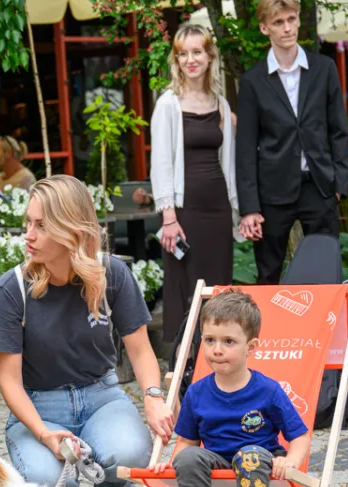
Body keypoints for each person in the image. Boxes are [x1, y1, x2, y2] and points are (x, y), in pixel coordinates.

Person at [0, 175, 174, 487]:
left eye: (41, 225)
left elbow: (141, 350)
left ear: (70, 229)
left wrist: (152, 396)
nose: (29, 234)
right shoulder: (11, 290)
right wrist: (42, 433)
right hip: (39, 406)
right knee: (48, 477)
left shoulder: (110, 274)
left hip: (102, 396)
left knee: (131, 452)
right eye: (28, 223)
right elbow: (9, 382)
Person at [147, 290, 309, 487]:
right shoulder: (197, 392)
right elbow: (188, 443)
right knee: (187, 457)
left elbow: (299, 436)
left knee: (249, 452)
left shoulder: (268, 391)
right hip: (218, 463)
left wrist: (291, 460)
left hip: (259, 464)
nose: (217, 350)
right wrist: (171, 465)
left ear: (252, 347)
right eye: (210, 340)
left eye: (228, 342)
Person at [235, 0, 348, 284]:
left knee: (326, 270)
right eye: (278, 22)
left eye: (291, 19)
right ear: (264, 28)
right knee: (268, 272)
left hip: (320, 185)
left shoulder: (324, 69)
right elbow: (245, 148)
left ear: (299, 20)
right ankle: (268, 329)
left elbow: (338, 130)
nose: (287, 28)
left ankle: (326, 329)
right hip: (273, 191)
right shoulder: (252, 81)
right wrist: (250, 206)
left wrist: (339, 183)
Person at [151, 22, 238, 342]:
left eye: (197, 52)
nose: (191, 60)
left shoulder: (221, 104)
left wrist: (236, 211)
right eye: (183, 54)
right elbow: (160, 163)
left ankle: (218, 354)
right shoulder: (168, 104)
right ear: (176, 60)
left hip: (217, 209)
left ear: (210, 55)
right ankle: (182, 365)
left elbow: (229, 161)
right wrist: (168, 217)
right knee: (183, 287)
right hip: (183, 212)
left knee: (218, 287)